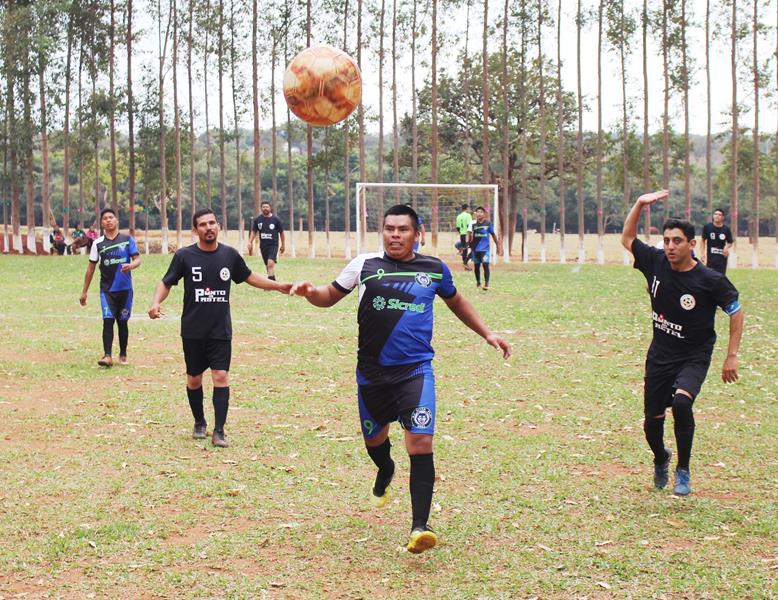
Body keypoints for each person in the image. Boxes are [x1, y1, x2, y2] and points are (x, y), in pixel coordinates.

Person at [291, 204, 512, 554]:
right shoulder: (364, 265)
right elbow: (329, 296)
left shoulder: (433, 268)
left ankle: (419, 527)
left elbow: (457, 302)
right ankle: (385, 468)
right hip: (372, 374)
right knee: (376, 442)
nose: (395, 235)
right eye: (389, 228)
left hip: (415, 371)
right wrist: (309, 292)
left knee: (421, 443)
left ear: (417, 233)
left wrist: (487, 333)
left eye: (402, 229)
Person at [621, 190, 744, 496]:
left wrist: (732, 355)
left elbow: (736, 311)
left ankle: (683, 470)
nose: (670, 246)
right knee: (652, 422)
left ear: (692, 244)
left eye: (677, 241)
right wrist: (639, 204)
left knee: (681, 403)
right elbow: (626, 239)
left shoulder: (709, 279)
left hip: (694, 355)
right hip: (660, 355)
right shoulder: (655, 261)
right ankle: (661, 457)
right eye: (666, 240)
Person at [149, 209, 292, 448]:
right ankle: (199, 422)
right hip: (193, 330)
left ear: (219, 226)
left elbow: (248, 276)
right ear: (195, 230)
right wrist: (155, 303)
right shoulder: (185, 256)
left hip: (220, 330)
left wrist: (277, 286)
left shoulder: (229, 255)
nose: (209, 227)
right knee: (194, 379)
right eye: (203, 224)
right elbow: (166, 282)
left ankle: (219, 430)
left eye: (212, 223)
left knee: (221, 376)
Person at [80, 208, 141, 367]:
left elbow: (137, 259)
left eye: (111, 217)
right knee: (108, 320)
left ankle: (123, 354)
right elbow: (91, 268)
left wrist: (131, 265)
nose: (108, 220)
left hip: (125, 290)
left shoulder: (127, 239)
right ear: (101, 223)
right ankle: (107, 356)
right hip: (106, 290)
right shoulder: (97, 243)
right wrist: (84, 291)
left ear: (116, 220)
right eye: (105, 218)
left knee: (122, 322)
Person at [248, 201, 285, 281]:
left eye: (267, 207)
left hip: (273, 245)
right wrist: (250, 241)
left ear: (270, 208)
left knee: (270, 264)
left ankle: (270, 284)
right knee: (267, 265)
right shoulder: (258, 220)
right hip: (263, 246)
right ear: (261, 208)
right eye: (263, 207)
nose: (265, 208)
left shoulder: (276, 220)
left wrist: (283, 245)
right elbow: (254, 231)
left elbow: (281, 233)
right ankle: (272, 281)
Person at [467, 206, 502, 290]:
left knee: (485, 265)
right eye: (477, 212)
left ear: (484, 214)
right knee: (477, 266)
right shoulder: (473, 225)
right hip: (475, 249)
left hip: (485, 249)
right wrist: (469, 244)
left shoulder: (488, 224)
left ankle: (486, 284)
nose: (479, 214)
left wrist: (498, 246)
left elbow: (493, 235)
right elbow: (471, 236)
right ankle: (478, 282)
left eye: (481, 212)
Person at [700, 208, 734, 275]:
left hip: (722, 258)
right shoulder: (707, 227)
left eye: (719, 215)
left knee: (720, 277)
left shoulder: (726, 229)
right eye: (715, 214)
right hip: (710, 258)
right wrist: (702, 253)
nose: (717, 216)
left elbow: (730, 242)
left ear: (723, 217)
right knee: (710, 276)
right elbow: (702, 240)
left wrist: (726, 247)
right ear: (713, 216)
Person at [455, 203, 473, 270]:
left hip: (462, 234)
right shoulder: (468, 215)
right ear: (467, 208)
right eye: (469, 208)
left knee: (464, 249)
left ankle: (465, 265)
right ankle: (465, 262)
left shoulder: (459, 216)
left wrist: (461, 232)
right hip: (467, 234)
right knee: (474, 248)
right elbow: (469, 226)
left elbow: (458, 227)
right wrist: (471, 234)